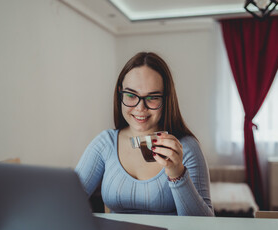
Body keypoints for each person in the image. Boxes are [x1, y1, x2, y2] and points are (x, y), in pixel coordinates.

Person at [75, 52, 214, 216]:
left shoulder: (186, 147)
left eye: (152, 97)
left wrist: (177, 174)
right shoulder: (105, 143)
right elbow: (67, 202)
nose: (140, 108)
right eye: (131, 95)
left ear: (166, 99)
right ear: (120, 93)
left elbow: (205, 225)